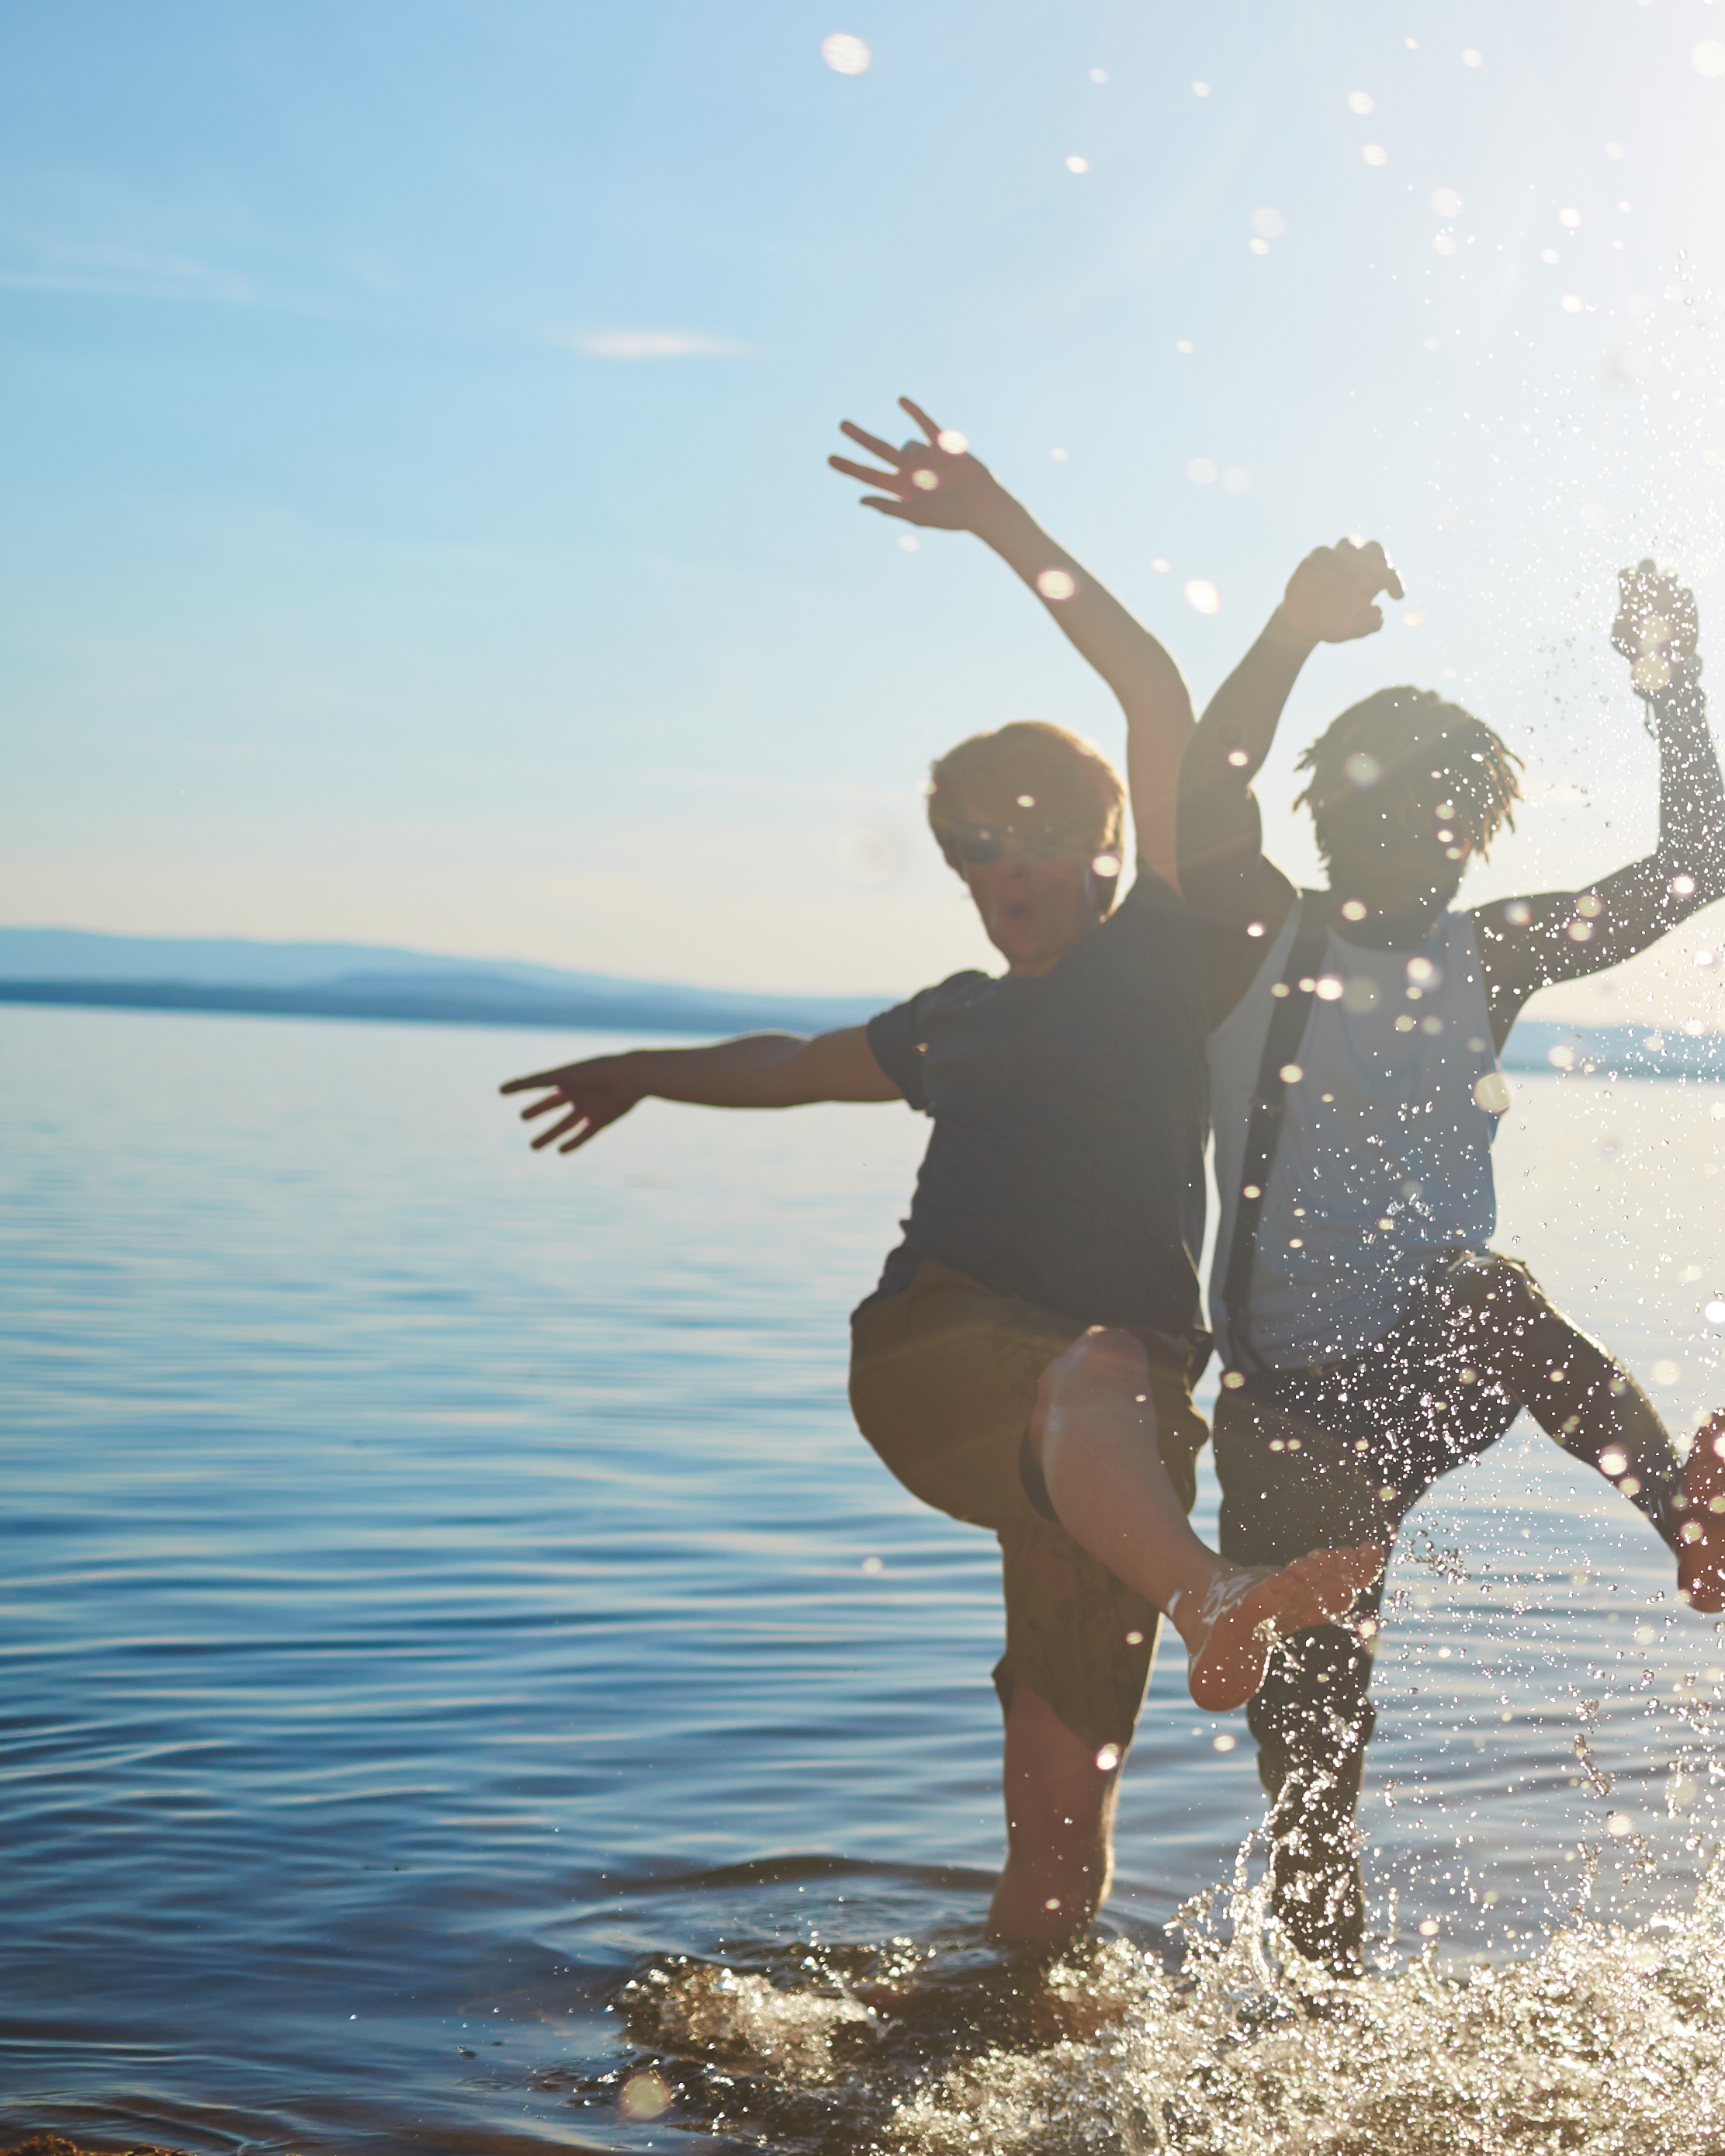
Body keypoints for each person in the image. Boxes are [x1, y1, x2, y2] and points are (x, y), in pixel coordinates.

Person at [499, 401, 1377, 1950]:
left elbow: (1152, 684)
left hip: (1114, 1461)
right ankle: (1212, 1599)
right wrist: (644, 1072)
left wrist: (1000, 524)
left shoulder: (1168, 954)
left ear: (1111, 840)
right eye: (972, 847)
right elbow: (793, 1062)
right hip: (944, 1360)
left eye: (1031, 833)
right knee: (1091, 1367)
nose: (1001, 866)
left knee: (1058, 1837)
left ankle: (1009, 2065)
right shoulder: (958, 1023)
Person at [1169, 550, 1725, 1976]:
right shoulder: (1257, 937)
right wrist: (1285, 633)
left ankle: (1689, 1517)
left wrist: (1669, 688)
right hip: (1285, 1419)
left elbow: (1696, 871)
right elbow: (1206, 785)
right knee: (1317, 1782)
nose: (1415, 843)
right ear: (1333, 818)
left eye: (1443, 818)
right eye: (1384, 812)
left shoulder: (1488, 955)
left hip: (1430, 1369)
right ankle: (1321, 2040)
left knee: (1488, 1294)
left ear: (1473, 833)